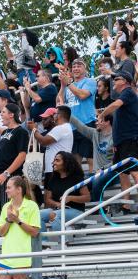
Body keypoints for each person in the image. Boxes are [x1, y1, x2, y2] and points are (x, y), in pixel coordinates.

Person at [98, 70, 138, 213]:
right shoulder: (123, 95)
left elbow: (115, 106)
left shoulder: (127, 92)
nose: (114, 81)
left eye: (117, 79)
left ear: (125, 82)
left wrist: (102, 114)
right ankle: (126, 204)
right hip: (121, 141)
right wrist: (116, 144)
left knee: (134, 171)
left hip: (130, 138)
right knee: (123, 173)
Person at [0, 103, 29, 215]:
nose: (1, 115)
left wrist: (6, 173)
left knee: (11, 210)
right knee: (0, 211)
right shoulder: (5, 132)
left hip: (10, 176)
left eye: (3, 112)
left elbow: (22, 155)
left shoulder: (21, 132)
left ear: (11, 115)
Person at [59, 58, 97, 170]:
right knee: (74, 162)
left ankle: (94, 186)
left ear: (85, 69)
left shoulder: (90, 81)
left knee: (91, 158)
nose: (76, 68)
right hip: (72, 127)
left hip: (87, 124)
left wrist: (69, 83)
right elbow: (58, 101)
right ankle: (79, 187)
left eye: (79, 66)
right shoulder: (68, 85)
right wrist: (62, 85)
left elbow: (82, 95)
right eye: (74, 66)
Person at [39, 151, 90, 232]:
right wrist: (57, 204)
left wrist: (70, 198)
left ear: (66, 162)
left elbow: (87, 197)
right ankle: (45, 242)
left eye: (57, 160)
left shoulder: (76, 178)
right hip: (58, 209)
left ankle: (64, 242)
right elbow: (47, 199)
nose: (53, 163)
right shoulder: (53, 179)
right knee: (37, 215)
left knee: (54, 215)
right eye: (54, 160)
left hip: (76, 210)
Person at [27, 106, 74, 180]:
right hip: (53, 169)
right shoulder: (62, 128)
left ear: (59, 115)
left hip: (57, 169)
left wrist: (34, 129)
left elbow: (43, 141)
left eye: (55, 114)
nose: (54, 115)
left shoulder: (62, 128)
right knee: (48, 191)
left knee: (51, 191)